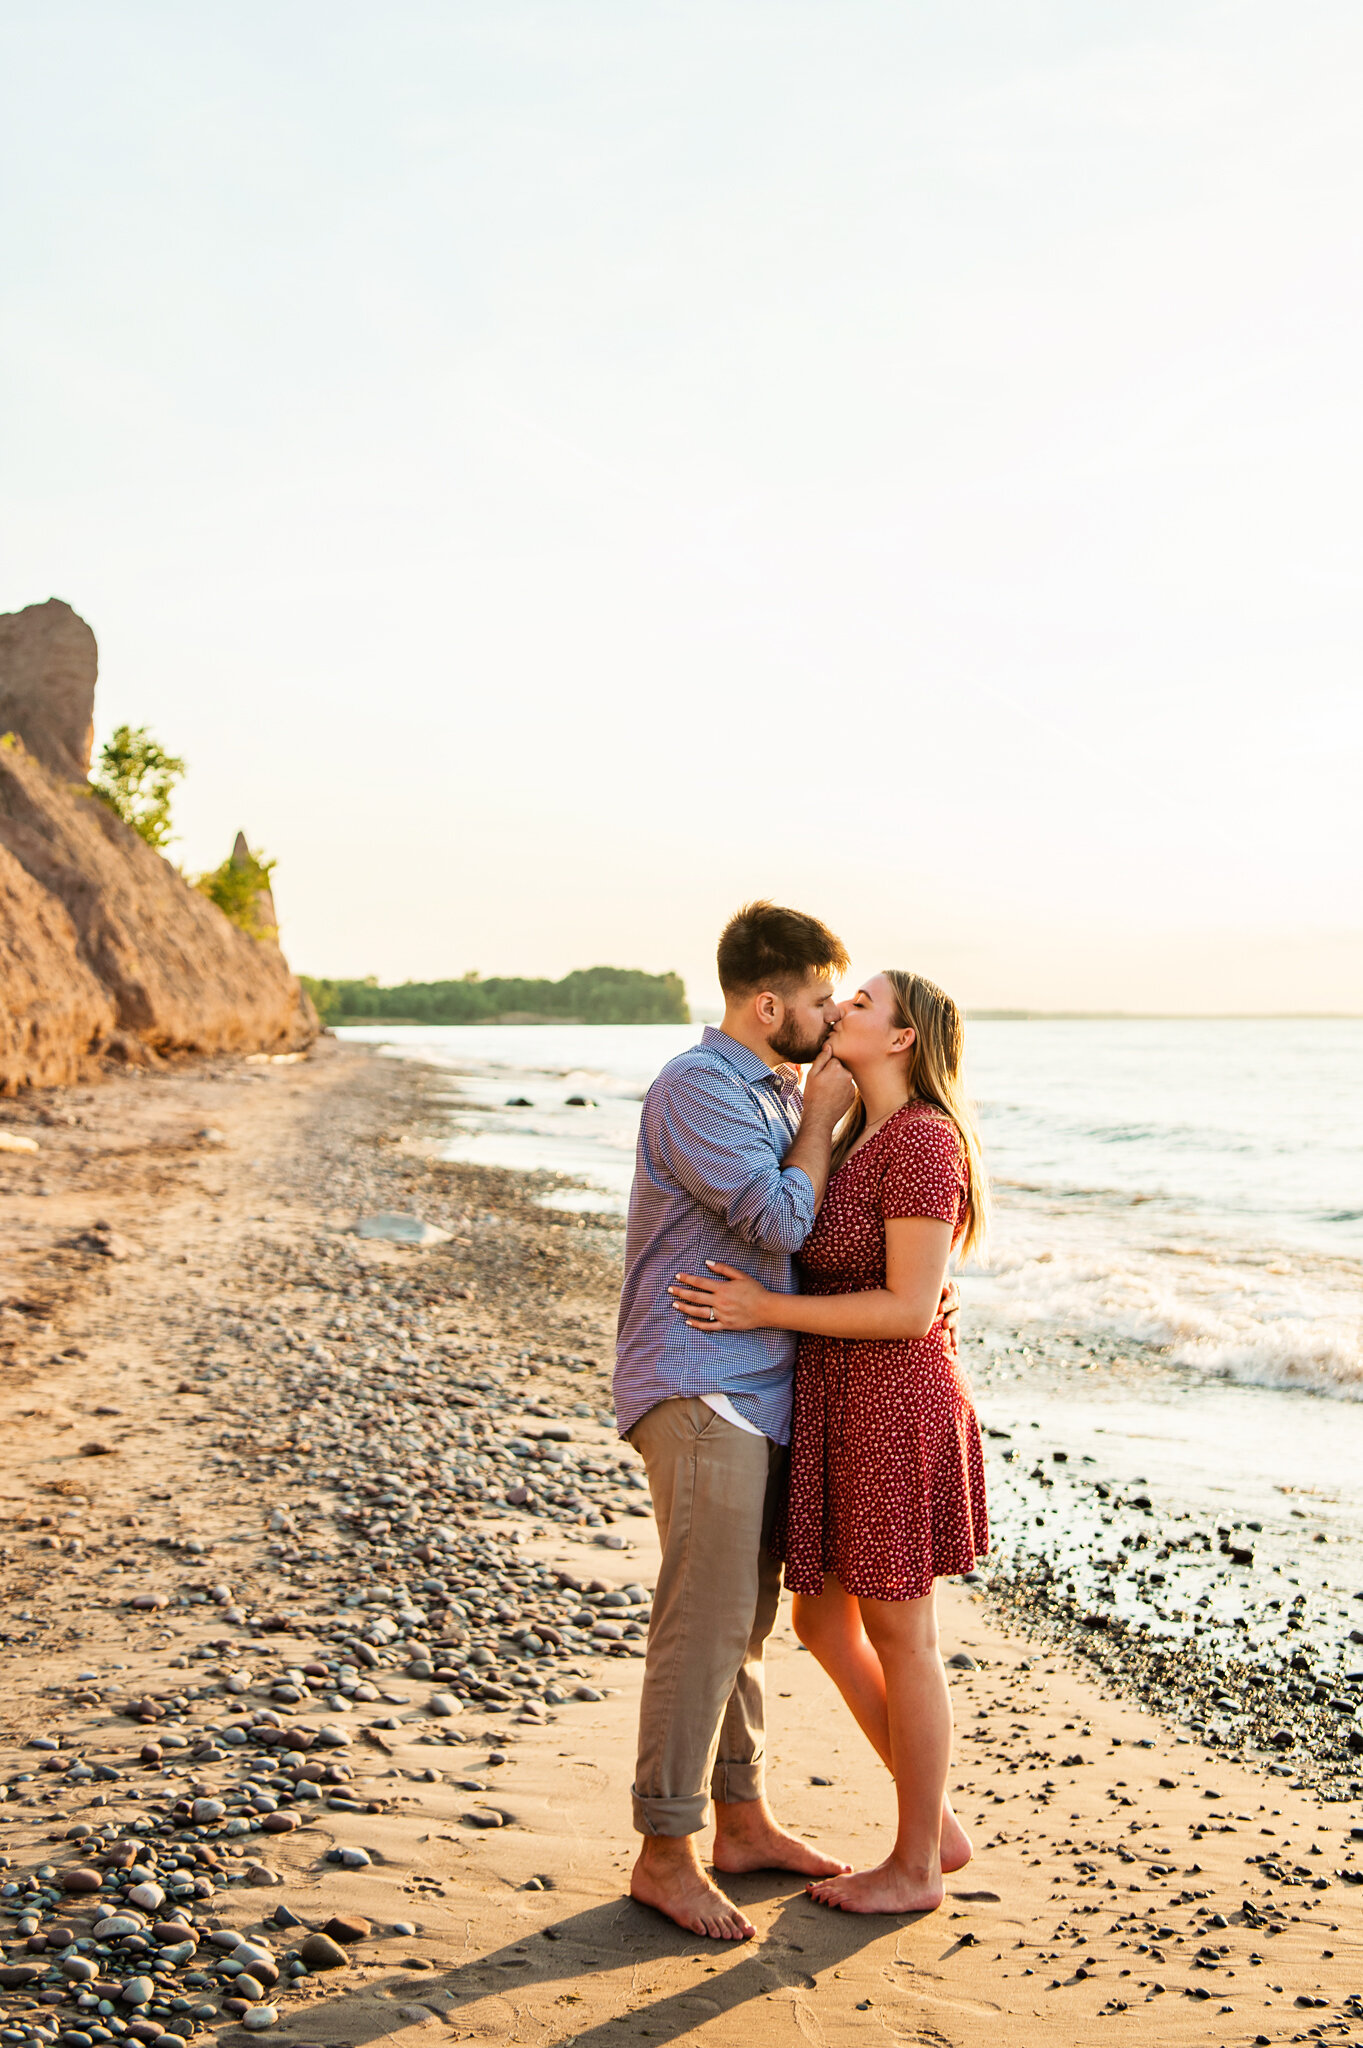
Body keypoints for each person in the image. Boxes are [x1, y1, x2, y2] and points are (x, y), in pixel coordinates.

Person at [670, 969, 988, 1917]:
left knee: (901, 1634)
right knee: (819, 1623)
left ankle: (916, 1864)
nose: (841, 1008)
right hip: (842, 1404)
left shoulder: (925, 1141)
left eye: (862, 1004)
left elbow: (903, 1308)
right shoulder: (857, 1137)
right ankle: (937, 1826)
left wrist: (764, 1309)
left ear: (900, 1039)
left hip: (895, 1409)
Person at [613, 900, 858, 1941]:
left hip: (757, 1383)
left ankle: (742, 1818)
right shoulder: (698, 1086)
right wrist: (819, 1124)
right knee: (702, 1625)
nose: (827, 1017)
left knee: (742, 1624)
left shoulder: (768, 1090)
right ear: (768, 1003)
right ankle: (663, 1849)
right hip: (698, 1383)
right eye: (814, 1000)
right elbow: (775, 1218)